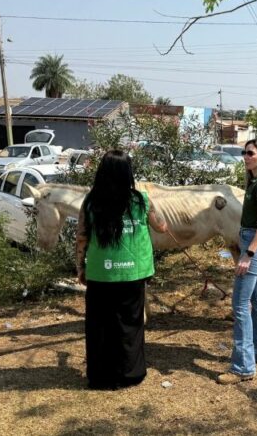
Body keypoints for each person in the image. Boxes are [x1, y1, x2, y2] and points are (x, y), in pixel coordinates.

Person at [76, 149, 168, 390]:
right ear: (128, 173)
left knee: (100, 326)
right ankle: (130, 373)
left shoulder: (90, 201)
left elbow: (82, 238)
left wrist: (80, 268)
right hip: (133, 273)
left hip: (100, 272)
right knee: (130, 324)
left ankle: (101, 376)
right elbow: (161, 227)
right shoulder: (141, 200)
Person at [217, 139, 257, 385]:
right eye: (244, 152)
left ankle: (243, 367)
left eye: (250, 153)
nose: (245, 156)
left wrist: (248, 255)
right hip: (253, 241)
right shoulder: (254, 181)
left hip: (255, 244)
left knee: (240, 305)